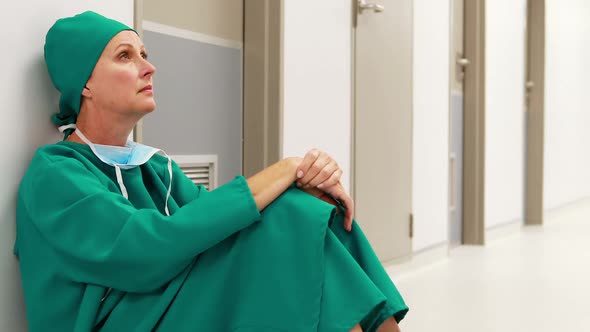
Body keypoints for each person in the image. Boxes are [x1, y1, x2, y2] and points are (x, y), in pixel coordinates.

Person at [14, 11, 408, 332]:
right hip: (122, 320)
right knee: (291, 219)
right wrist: (286, 170)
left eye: (144, 53)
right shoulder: (55, 174)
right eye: (125, 56)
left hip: (162, 303)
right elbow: (147, 249)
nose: (148, 67)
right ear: (84, 83)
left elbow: (216, 221)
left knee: (309, 215)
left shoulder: (153, 166)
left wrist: (306, 183)